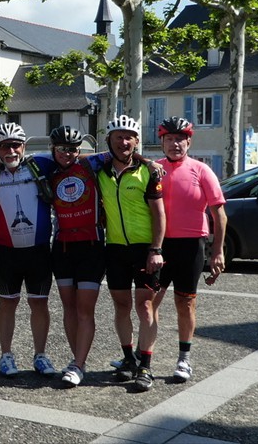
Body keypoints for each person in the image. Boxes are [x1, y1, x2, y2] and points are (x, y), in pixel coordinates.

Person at [153, 116, 227, 383]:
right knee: (149, 302)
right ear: (161, 141)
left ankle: (183, 359)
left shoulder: (201, 170)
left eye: (180, 138)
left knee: (185, 303)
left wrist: (217, 251)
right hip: (159, 245)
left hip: (191, 244)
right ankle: (142, 354)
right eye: (170, 138)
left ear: (189, 141)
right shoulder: (154, 169)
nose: (175, 144)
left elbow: (220, 214)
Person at [0, 123, 60, 379]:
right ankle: (6, 354)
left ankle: (40, 354)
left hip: (38, 250)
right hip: (8, 252)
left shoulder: (41, 165)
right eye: (5, 145)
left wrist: (143, 160)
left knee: (39, 304)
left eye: (16, 144)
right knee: (7, 303)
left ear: (24, 146)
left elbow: (76, 158)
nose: (11, 150)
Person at [98, 115, 166, 392]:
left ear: (137, 141)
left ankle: (146, 366)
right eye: (118, 137)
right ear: (109, 141)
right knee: (121, 306)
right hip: (115, 248)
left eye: (129, 137)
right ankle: (128, 359)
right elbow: (70, 157)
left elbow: (159, 214)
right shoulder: (100, 170)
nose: (123, 142)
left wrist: (156, 249)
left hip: (145, 248)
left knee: (145, 306)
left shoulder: (148, 171)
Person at [48, 125, 105, 387]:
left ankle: (79, 364)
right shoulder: (48, 170)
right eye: (61, 149)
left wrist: (149, 163)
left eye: (72, 149)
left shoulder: (90, 165)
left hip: (90, 246)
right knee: (68, 307)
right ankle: (76, 359)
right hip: (61, 247)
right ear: (53, 149)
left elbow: (122, 151)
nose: (67, 154)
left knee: (85, 309)